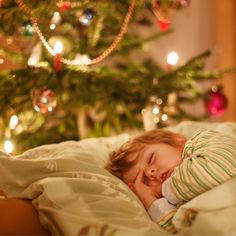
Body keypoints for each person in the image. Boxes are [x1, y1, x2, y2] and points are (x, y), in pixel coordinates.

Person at [105, 129, 236, 232]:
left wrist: (162, 189)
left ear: (176, 141)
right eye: (143, 182)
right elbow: (180, 228)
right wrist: (150, 201)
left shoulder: (205, 140)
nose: (150, 173)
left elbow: (212, 172)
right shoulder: (176, 200)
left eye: (151, 158)